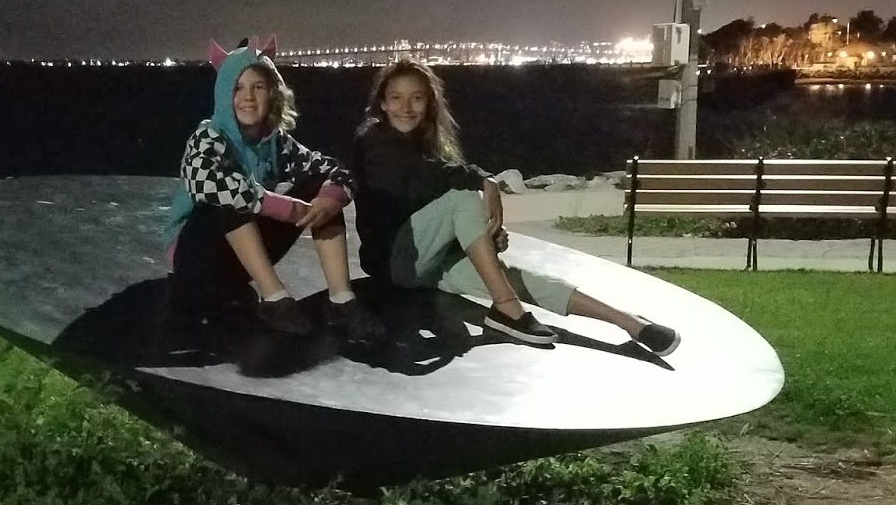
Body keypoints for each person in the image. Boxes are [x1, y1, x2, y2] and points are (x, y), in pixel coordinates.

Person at [351, 59, 680, 355]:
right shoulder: (373, 142)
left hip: (427, 263)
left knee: (514, 278)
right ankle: (506, 309)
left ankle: (629, 323)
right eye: (396, 97)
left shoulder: (424, 146)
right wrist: (485, 180)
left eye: (417, 98)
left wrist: (482, 235)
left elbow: (431, 201)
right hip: (394, 265)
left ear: (429, 103)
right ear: (383, 103)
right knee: (463, 197)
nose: (406, 107)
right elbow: (423, 179)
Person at [165, 35, 382, 340]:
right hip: (196, 259)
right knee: (230, 197)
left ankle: (341, 300)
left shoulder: (275, 142)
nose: (248, 97)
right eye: (237, 88)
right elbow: (206, 183)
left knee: (320, 187)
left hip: (241, 259)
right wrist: (284, 208)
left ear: (273, 93)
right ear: (224, 94)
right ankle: (274, 299)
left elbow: (334, 168)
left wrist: (331, 198)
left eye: (258, 87)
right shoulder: (208, 136)